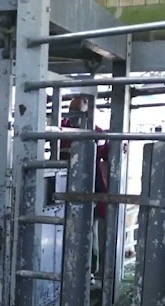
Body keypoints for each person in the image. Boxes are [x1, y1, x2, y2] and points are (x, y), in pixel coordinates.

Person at [58, 95, 110, 280]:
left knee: (89, 233)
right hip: (62, 192)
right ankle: (62, 270)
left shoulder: (97, 134)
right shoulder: (60, 129)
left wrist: (121, 148)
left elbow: (109, 153)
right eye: (71, 111)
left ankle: (89, 273)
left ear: (88, 114)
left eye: (78, 112)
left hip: (89, 193)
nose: (73, 116)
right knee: (61, 231)